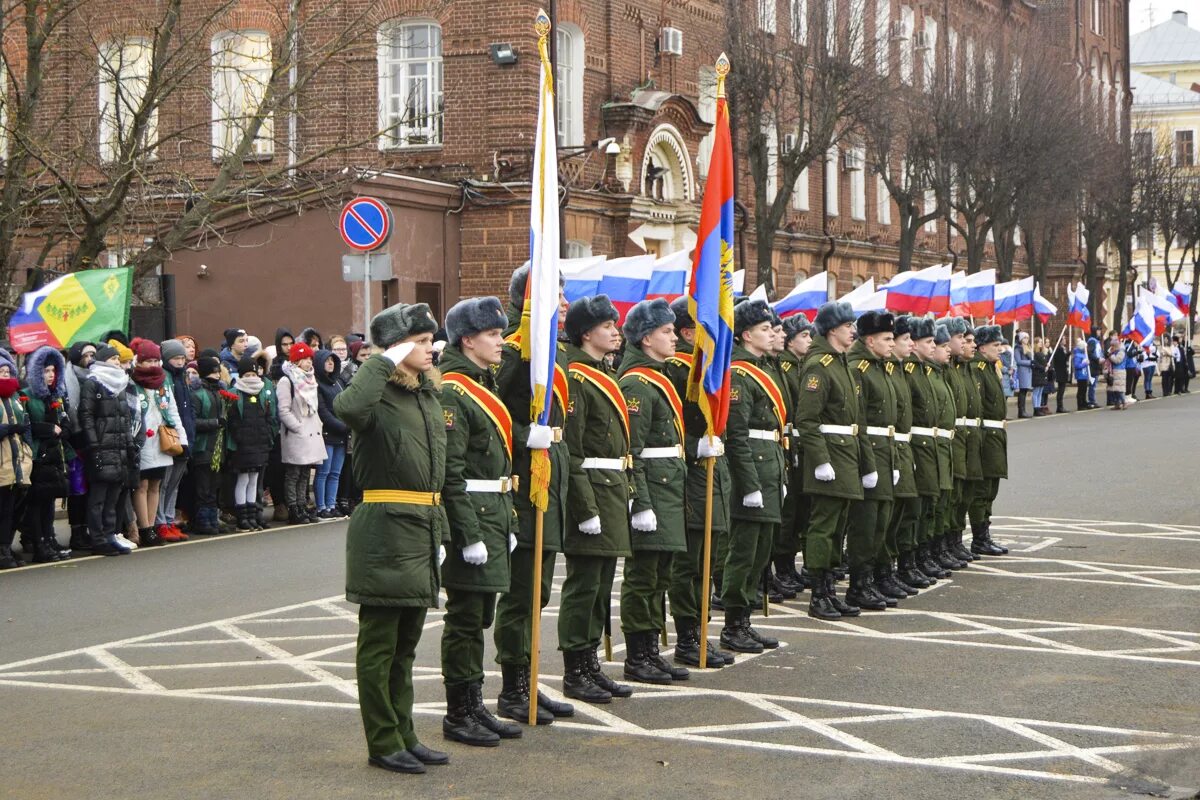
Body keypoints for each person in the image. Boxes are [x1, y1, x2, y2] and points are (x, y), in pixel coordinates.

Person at [335, 302, 449, 775]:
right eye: (419, 342)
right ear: (398, 348)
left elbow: (437, 473)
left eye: (429, 341)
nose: (429, 349)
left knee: (405, 647)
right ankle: (382, 741)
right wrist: (380, 360)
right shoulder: (376, 394)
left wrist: (442, 531)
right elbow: (347, 408)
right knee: (379, 646)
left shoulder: (424, 395)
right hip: (384, 528)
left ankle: (405, 733)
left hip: (422, 526)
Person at [436, 296, 522, 746]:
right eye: (492, 335)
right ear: (467, 340)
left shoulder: (479, 382)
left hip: (491, 515)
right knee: (466, 618)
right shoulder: (454, 388)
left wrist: (505, 522)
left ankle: (475, 704)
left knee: (480, 614)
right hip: (472, 516)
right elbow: (452, 472)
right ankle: (459, 711)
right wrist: (467, 535)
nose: (501, 342)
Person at [492, 264, 577, 722]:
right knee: (522, 592)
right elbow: (494, 413)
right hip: (525, 482)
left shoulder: (552, 349)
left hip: (551, 479)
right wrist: (527, 433)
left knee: (539, 592)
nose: (564, 304)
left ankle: (530, 680)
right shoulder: (514, 348)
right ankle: (512, 688)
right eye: (557, 295)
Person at [559, 295, 634, 703]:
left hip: (611, 487)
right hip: (591, 491)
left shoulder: (601, 372)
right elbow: (571, 448)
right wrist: (584, 508)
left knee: (602, 584)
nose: (615, 331)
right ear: (586, 333)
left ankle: (590, 665)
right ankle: (575, 669)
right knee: (584, 585)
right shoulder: (575, 376)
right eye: (607, 326)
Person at [617, 299, 689, 683]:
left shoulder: (656, 377)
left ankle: (650, 651)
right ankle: (637, 654)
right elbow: (632, 449)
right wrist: (640, 501)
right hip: (654, 491)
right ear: (647, 338)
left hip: (669, 486)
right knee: (643, 576)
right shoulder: (637, 384)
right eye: (666, 331)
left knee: (660, 575)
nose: (674, 337)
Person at [662, 296, 734, 669]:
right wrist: (695, 446)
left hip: (711, 473)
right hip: (689, 476)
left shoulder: (704, 366)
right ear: (692, 332)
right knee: (689, 566)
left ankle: (700, 633)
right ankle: (688, 638)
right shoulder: (679, 371)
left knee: (708, 562)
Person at [795, 301, 875, 620]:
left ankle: (829, 589)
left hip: (846, 456)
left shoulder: (841, 363)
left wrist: (865, 464)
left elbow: (856, 420)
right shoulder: (819, 365)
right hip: (830, 456)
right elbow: (807, 419)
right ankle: (818, 593)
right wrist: (821, 460)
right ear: (832, 331)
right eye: (847, 327)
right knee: (823, 527)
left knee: (838, 527)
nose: (853, 331)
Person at [719, 299, 788, 645]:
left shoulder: (764, 368)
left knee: (761, 551)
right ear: (746, 335)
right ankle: (733, 623)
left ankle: (744, 620)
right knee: (745, 551)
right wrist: (748, 484)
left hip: (770, 468)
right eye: (764, 329)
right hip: (752, 472)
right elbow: (737, 434)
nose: (771, 334)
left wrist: (780, 478)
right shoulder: (741, 374)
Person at [843, 311, 899, 611]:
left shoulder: (881, 367)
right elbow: (859, 420)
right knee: (865, 525)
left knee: (881, 522)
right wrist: (867, 464)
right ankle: (858, 585)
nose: (892, 343)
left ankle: (873, 578)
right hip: (869, 454)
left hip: (886, 452)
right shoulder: (859, 369)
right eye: (887, 338)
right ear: (870, 340)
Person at [77, 344, 137, 556]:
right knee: (99, 496)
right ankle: (98, 538)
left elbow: (126, 418)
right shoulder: (93, 383)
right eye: (113, 359)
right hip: (101, 447)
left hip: (118, 447)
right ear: (103, 360)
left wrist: (129, 445)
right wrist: (94, 443)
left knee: (114, 496)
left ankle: (110, 534)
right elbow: (86, 415)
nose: (117, 363)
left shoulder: (120, 384)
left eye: (118, 360)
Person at [131, 339, 188, 548]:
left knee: (156, 483)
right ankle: (144, 528)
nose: (153, 365)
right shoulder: (132, 382)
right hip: (142, 440)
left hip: (161, 439)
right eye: (148, 361)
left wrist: (182, 439)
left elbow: (172, 410)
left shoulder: (163, 382)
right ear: (139, 361)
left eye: (156, 360)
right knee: (142, 484)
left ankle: (154, 526)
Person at [21, 347, 74, 563]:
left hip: (54, 455)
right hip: (37, 455)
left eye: (53, 370)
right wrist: (48, 429)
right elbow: (26, 424)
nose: (50, 375)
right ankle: (38, 543)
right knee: (36, 502)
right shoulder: (26, 395)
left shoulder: (56, 396)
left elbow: (64, 421)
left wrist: (64, 427)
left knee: (50, 500)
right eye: (45, 371)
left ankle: (49, 539)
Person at [773, 314, 813, 595]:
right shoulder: (785, 367)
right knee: (786, 514)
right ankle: (782, 566)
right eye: (804, 336)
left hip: (796, 445)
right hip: (784, 442)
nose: (809, 341)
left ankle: (787, 565)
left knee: (798, 512)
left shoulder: (800, 367)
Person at [883, 316, 923, 592]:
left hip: (901, 448)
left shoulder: (897, 370)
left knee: (904, 512)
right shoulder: (883, 369)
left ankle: (896, 567)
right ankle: (880, 573)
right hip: (885, 449)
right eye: (904, 339)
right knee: (883, 520)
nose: (910, 343)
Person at [969, 325, 1009, 556]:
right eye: (996, 345)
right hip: (985, 436)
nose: (1000, 349)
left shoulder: (990, 368)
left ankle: (984, 534)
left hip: (995, 436)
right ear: (982, 347)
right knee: (982, 490)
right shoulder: (978, 369)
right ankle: (979, 537)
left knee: (991, 488)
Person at [277, 342, 326, 524]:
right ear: (296, 361)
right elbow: (283, 410)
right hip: (297, 433)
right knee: (294, 472)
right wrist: (297, 427)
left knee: (305, 472)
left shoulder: (311, 378)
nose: (308, 362)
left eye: (309, 358)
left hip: (311, 431)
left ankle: (302, 504)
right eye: (304, 359)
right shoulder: (287, 380)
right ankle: (293, 508)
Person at [223, 355, 274, 531]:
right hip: (243, 446)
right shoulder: (235, 393)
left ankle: (253, 515)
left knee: (254, 480)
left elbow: (269, 417)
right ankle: (242, 516)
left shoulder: (263, 392)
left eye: (254, 373)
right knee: (243, 479)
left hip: (259, 443)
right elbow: (231, 420)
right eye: (248, 374)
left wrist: (268, 436)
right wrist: (239, 438)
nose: (252, 377)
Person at [155, 338, 195, 540]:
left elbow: (188, 409)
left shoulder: (182, 378)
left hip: (184, 434)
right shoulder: (165, 377)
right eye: (176, 358)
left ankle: (169, 519)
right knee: (165, 482)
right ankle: (160, 521)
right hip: (170, 437)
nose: (180, 362)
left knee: (175, 483)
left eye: (182, 358)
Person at [188, 354, 226, 536]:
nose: (217, 375)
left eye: (218, 372)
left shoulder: (218, 392)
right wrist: (215, 422)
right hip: (203, 446)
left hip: (217, 447)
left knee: (214, 485)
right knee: (203, 487)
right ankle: (203, 520)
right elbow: (193, 421)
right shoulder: (197, 394)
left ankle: (212, 518)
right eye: (213, 372)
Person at [0, 350, 31, 569]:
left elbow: (26, 425)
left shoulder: (14, 397)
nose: (4, 375)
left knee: (11, 510)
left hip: (17, 462)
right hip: (2, 461)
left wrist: (28, 450)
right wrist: (7, 429)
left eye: (6, 371)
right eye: (0, 371)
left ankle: (5, 547)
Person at [314, 348, 349, 518]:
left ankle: (331, 503)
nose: (330, 363)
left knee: (335, 473)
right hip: (327, 434)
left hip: (341, 435)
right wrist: (343, 426)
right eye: (327, 361)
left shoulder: (338, 383)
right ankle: (321, 507)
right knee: (323, 472)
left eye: (333, 361)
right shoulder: (317, 384)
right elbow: (323, 411)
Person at [1013, 333, 1032, 418]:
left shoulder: (1028, 347)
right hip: (1022, 371)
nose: (1026, 339)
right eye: (1024, 338)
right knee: (1022, 391)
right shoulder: (1018, 348)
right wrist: (1030, 362)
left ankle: (1024, 410)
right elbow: (1018, 361)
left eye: (1027, 338)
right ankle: (1021, 411)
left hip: (1028, 371)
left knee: (1025, 391)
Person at [1051, 340, 1071, 413]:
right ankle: (1059, 406)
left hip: (1064, 371)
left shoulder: (1064, 348)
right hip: (1060, 372)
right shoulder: (1059, 349)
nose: (1065, 340)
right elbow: (1061, 360)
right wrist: (1067, 355)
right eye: (1063, 339)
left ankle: (1061, 406)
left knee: (1062, 390)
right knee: (1060, 390)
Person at [1031, 338, 1049, 415]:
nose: (1041, 344)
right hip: (1037, 374)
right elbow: (1035, 364)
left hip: (1042, 374)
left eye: (1042, 342)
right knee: (1036, 392)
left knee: (1040, 392)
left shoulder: (1042, 353)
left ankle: (1038, 407)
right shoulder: (1035, 353)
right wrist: (1043, 367)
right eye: (1039, 342)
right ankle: (1036, 408)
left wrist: (1047, 365)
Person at [1108, 338, 1127, 410]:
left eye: (1113, 345)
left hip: (1120, 371)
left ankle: (1124, 402)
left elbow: (1117, 360)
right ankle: (1117, 404)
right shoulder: (1114, 351)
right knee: (1115, 389)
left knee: (1119, 389)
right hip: (1115, 371)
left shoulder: (1121, 352)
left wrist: (1110, 356)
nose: (1112, 347)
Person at [1073, 338, 1092, 410]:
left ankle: (1084, 402)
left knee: (1084, 390)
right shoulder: (1077, 355)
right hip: (1080, 375)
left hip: (1084, 375)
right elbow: (1077, 365)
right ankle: (1080, 404)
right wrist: (1085, 364)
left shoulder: (1083, 354)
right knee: (1081, 390)